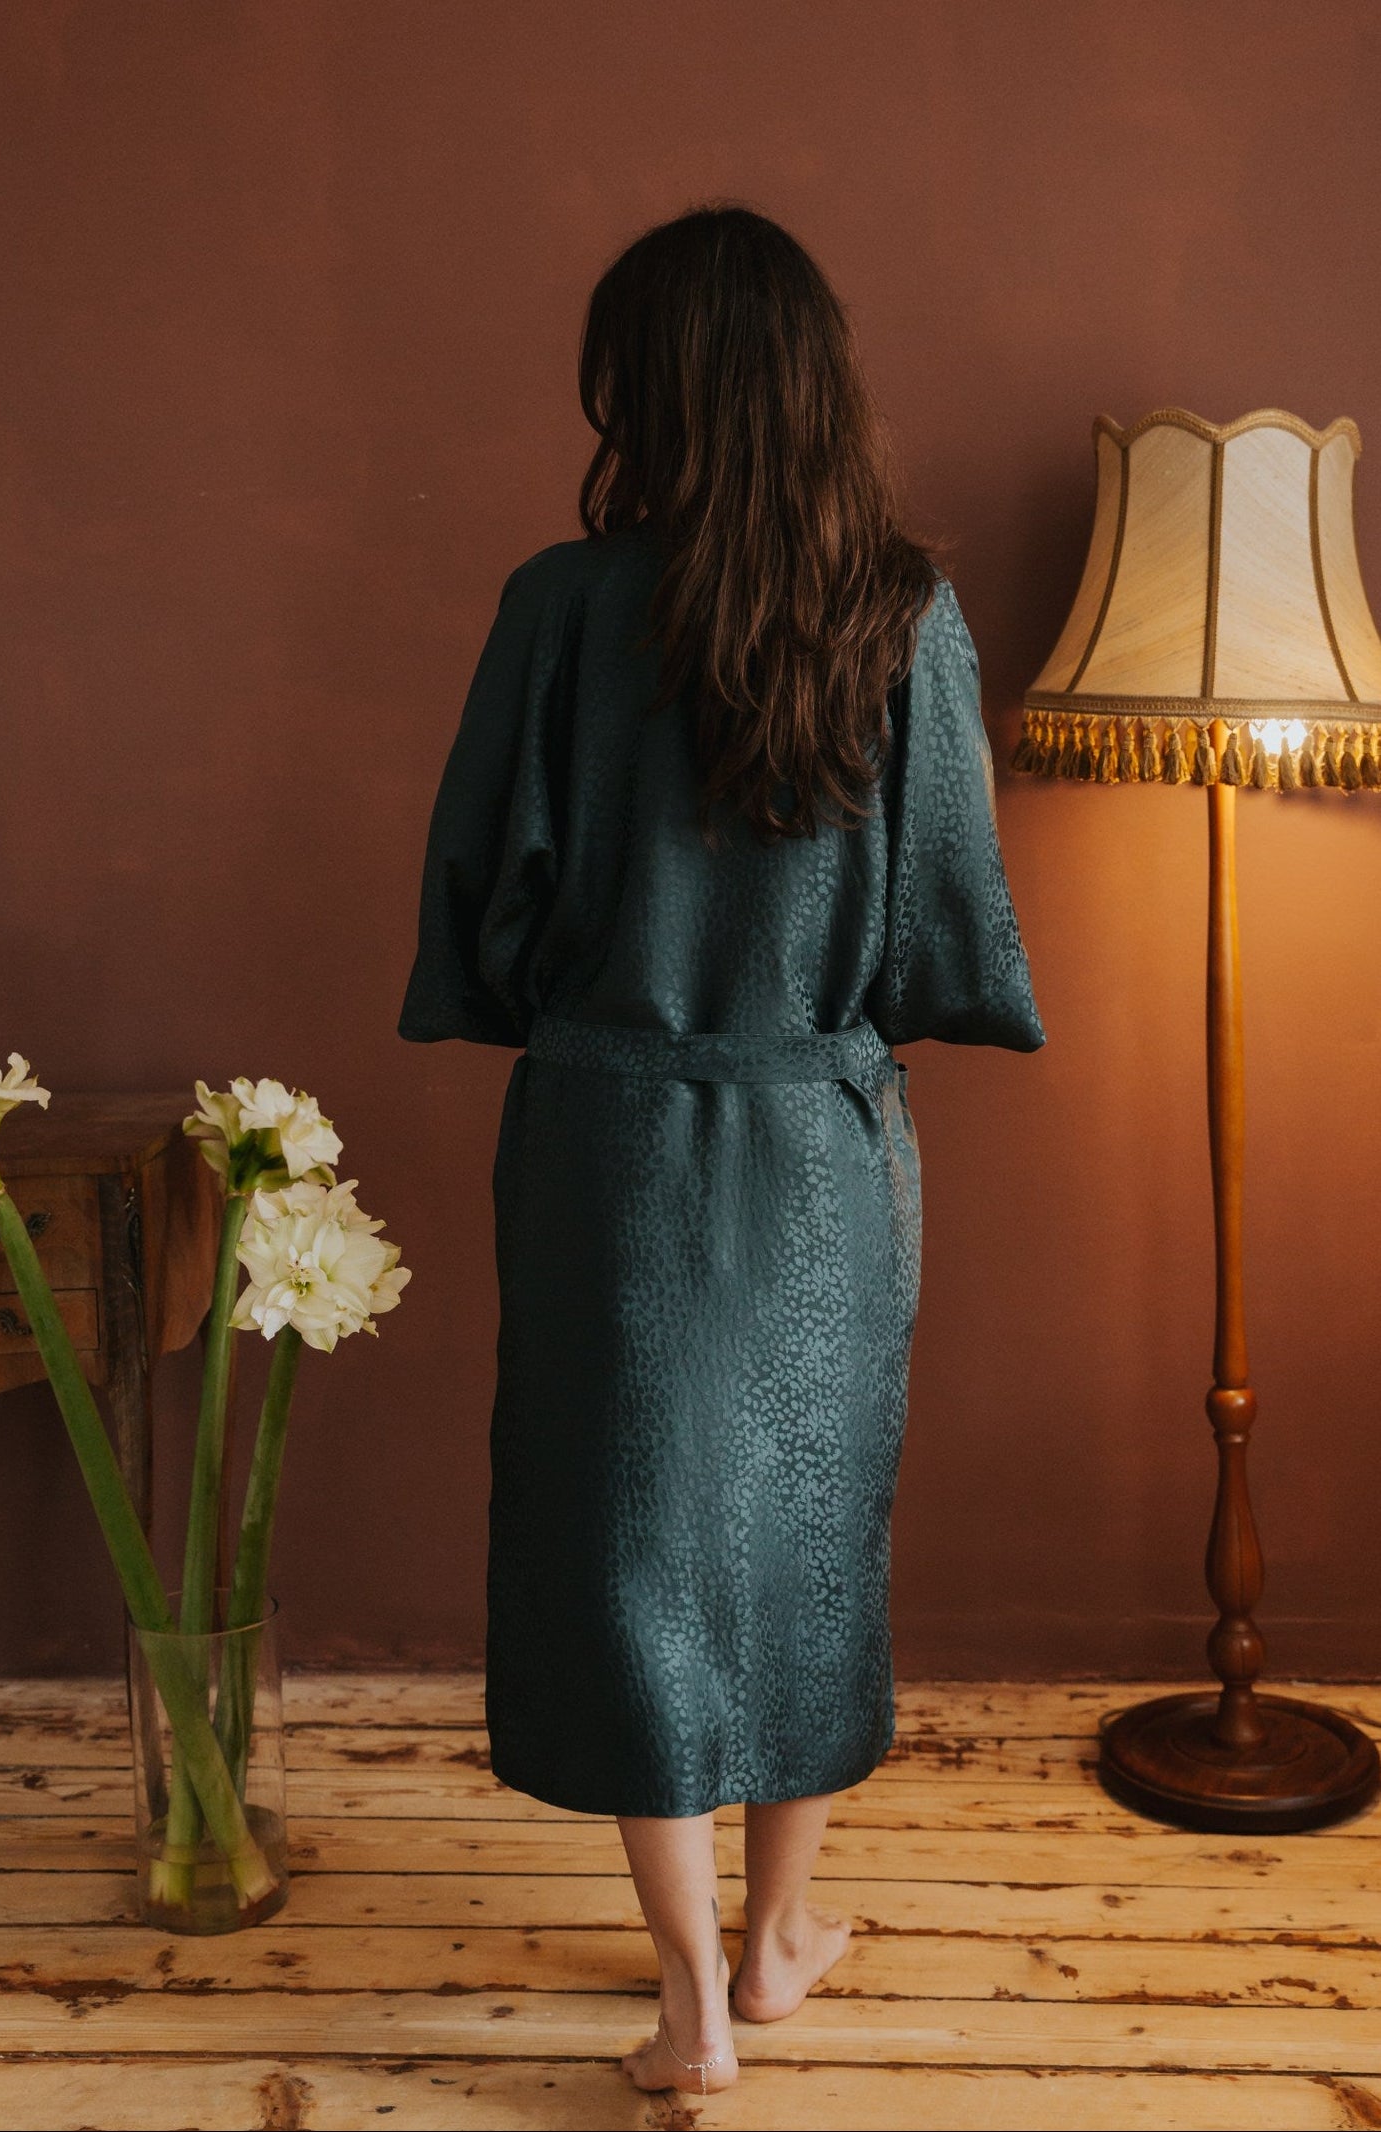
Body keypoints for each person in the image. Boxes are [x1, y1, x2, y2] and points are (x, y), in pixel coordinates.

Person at [399, 204, 1043, 2098]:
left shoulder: (556, 605)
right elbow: (944, 928)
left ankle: (690, 2000)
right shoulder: (909, 620)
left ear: (649, 392)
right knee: (805, 1545)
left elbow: (484, 900)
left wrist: (602, 999)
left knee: (628, 1560)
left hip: (609, 1140)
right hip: (824, 1148)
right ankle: (774, 1951)